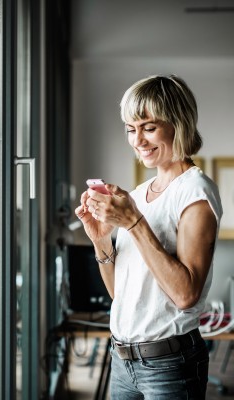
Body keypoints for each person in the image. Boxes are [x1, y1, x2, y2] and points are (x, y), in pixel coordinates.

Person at [75, 74, 222, 399]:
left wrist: (134, 222)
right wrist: (100, 239)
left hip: (169, 364)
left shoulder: (195, 192)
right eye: (131, 128)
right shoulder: (139, 195)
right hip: (122, 360)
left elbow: (186, 295)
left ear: (178, 124)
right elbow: (121, 295)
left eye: (149, 127)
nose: (137, 139)